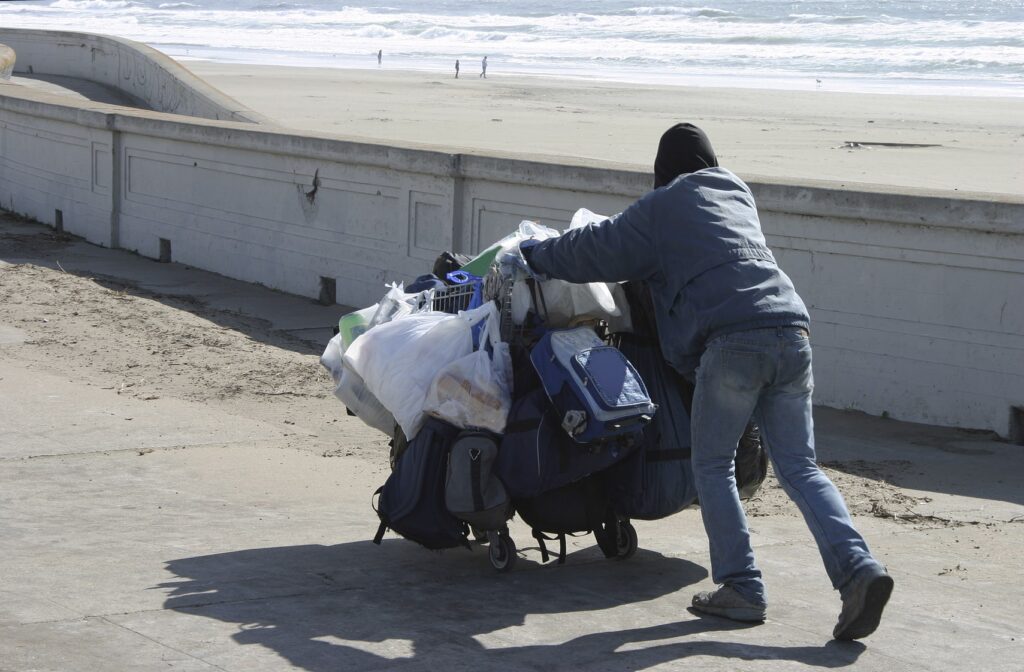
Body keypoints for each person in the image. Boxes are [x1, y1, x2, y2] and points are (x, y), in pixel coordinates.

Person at [514, 123, 894, 641]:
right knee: (801, 467)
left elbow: (596, 251)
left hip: (733, 343)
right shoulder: (737, 195)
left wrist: (534, 254)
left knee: (712, 465)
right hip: (791, 328)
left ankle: (742, 585)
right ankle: (859, 570)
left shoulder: (664, 206)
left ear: (663, 172)